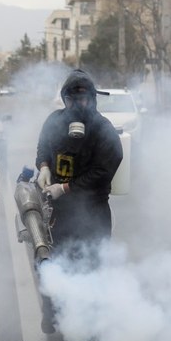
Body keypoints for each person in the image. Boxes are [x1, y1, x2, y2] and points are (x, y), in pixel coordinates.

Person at [34, 70, 124, 267]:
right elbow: (43, 147)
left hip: (92, 216)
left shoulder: (103, 129)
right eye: (70, 99)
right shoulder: (54, 121)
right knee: (57, 267)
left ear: (92, 99)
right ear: (64, 99)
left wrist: (64, 188)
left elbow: (102, 172)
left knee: (90, 270)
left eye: (81, 99)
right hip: (60, 214)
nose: (75, 105)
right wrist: (44, 166)